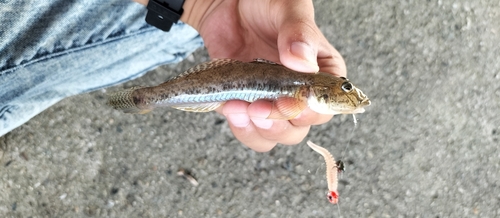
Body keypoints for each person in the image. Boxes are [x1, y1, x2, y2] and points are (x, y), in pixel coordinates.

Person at [0, 0, 346, 152]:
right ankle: (145, 95)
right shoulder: (303, 87)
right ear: (321, 91)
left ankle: (145, 95)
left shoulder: (304, 86)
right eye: (344, 90)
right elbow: (287, 110)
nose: (346, 95)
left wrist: (206, 5)